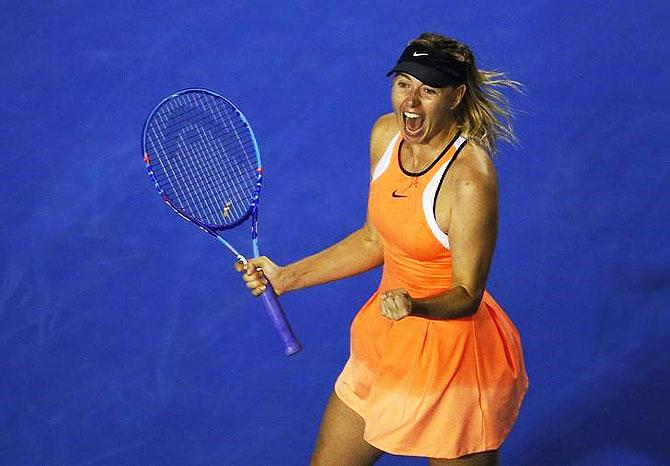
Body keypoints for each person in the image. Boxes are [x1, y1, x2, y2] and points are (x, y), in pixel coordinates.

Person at [236, 32, 529, 466]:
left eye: (428, 90)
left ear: (456, 96)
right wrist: (287, 277)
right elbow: (376, 238)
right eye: (404, 84)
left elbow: (467, 294)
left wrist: (415, 306)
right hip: (388, 341)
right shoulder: (386, 135)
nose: (411, 102)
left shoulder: (469, 179)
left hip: (455, 360)